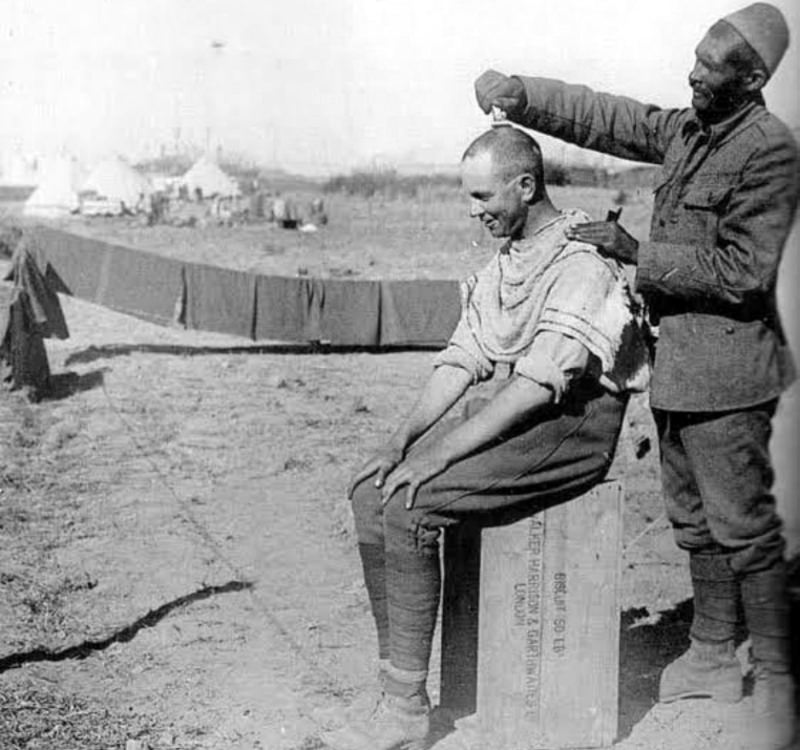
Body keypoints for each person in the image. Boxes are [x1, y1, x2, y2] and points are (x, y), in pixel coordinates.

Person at [474, 4, 799, 749]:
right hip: (680, 369)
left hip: (733, 373)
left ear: (751, 80)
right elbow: (606, 117)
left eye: (712, 65)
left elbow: (746, 272)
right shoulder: (688, 129)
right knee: (693, 522)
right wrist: (524, 94)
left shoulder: (772, 151)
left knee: (745, 530)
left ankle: (779, 681)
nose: (694, 72)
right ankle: (715, 654)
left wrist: (634, 252)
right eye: (694, 56)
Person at [321, 126, 649, 750]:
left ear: (526, 187)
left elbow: (536, 386)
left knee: (412, 503)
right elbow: (463, 355)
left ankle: (407, 717)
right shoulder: (507, 262)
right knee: (373, 490)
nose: (474, 212)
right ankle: (399, 689)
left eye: (483, 198)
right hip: (518, 412)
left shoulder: (580, 260)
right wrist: (402, 440)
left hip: (573, 426)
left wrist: (439, 453)